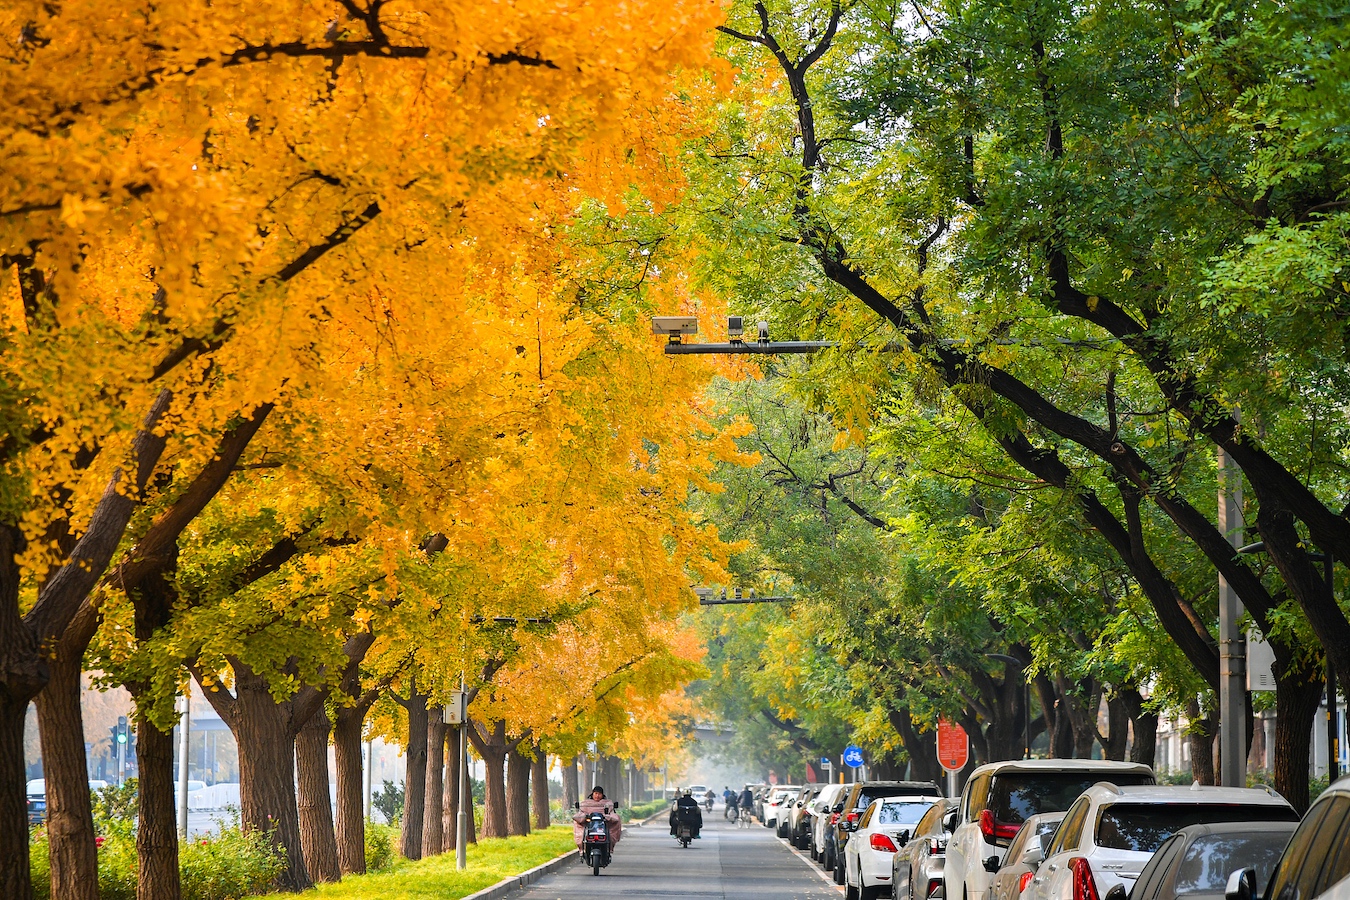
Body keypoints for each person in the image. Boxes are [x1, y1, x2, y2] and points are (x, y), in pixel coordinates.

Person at [573, 786, 622, 853]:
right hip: (589, 824)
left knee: (615, 822)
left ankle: (609, 849)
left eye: (599, 794)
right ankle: (582, 849)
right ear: (592, 794)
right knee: (580, 832)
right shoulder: (586, 804)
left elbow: (612, 815)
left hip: (603, 825)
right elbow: (581, 813)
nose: (597, 796)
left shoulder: (608, 804)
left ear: (602, 795)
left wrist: (608, 817)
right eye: (596, 793)